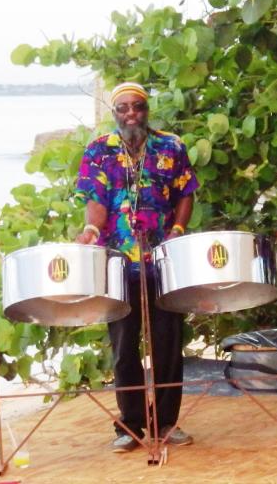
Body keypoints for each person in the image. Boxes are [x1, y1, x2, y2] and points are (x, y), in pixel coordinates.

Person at [75, 82, 199, 453]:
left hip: (162, 260)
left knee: (167, 345)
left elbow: (186, 193)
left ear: (147, 109)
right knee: (124, 347)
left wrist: (177, 231)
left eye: (138, 106)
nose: (131, 114)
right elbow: (97, 201)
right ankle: (130, 426)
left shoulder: (170, 146)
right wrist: (91, 230)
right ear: (114, 112)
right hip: (119, 263)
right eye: (123, 108)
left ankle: (165, 423)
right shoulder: (99, 150)